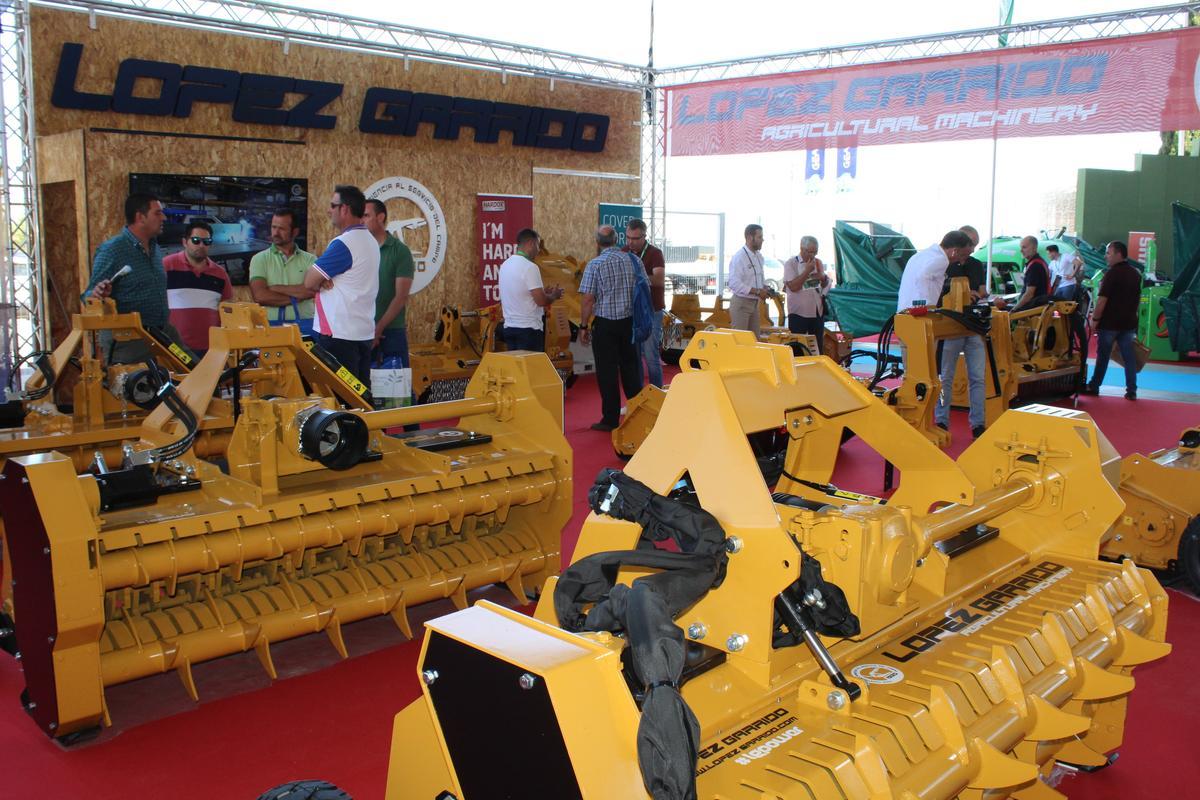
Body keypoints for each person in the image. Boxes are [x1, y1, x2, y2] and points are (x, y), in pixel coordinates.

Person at [83, 192, 181, 364]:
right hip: (128, 342)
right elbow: (88, 296)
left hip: (162, 333)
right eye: (157, 213)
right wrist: (97, 293)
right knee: (138, 389)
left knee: (195, 374)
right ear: (140, 217)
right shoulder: (113, 250)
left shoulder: (155, 248)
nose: (164, 217)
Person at [303, 185, 380, 385]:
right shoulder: (370, 241)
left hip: (338, 335)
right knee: (361, 398)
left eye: (332, 205)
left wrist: (322, 279)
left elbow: (309, 281)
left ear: (344, 209)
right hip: (361, 332)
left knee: (341, 400)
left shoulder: (344, 243)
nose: (329, 210)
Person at [579, 224, 643, 432]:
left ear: (597, 242)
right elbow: (644, 291)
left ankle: (610, 419)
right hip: (629, 324)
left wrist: (583, 326)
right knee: (631, 370)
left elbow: (588, 299)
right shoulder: (634, 261)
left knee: (607, 372)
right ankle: (638, 414)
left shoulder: (595, 265)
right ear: (617, 240)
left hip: (606, 325)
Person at [935, 225, 989, 438]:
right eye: (970, 244)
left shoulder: (977, 265)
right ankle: (940, 420)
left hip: (973, 326)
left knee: (978, 377)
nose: (972, 249)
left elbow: (983, 289)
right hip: (950, 325)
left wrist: (981, 294)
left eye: (975, 244)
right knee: (944, 377)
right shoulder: (944, 265)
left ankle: (978, 423)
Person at [1082, 241, 1142, 400]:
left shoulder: (1111, 274)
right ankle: (1132, 390)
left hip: (1110, 323)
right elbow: (1137, 300)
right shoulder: (1135, 274)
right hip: (1128, 323)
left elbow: (1102, 300)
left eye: (1108, 253)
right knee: (1129, 358)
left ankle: (1094, 386)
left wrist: (1095, 319)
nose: (1105, 256)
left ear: (1118, 254)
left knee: (1103, 357)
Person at [163, 221, 233, 356]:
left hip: (211, 349)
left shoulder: (220, 274)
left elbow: (228, 310)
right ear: (185, 242)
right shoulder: (166, 266)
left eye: (206, 242)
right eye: (196, 240)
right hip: (175, 349)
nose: (201, 245)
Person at [363, 199, 416, 369]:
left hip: (391, 332)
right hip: (361, 330)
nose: (361, 220)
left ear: (380, 217)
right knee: (362, 390)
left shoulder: (399, 251)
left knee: (398, 390)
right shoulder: (360, 249)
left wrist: (378, 329)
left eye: (366, 215)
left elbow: (400, 297)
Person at [249, 208, 317, 329]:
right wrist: (297, 297)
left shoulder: (310, 260)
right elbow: (260, 296)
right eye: (273, 227)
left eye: (281, 229)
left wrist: (275, 288)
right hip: (269, 328)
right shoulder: (258, 259)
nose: (275, 233)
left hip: (305, 325)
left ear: (295, 232)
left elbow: (311, 291)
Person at [497, 228, 564, 352]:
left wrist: (542, 291)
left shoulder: (505, 265)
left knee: (516, 370)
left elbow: (519, 292)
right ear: (531, 244)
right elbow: (541, 301)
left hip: (510, 328)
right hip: (528, 331)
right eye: (538, 245)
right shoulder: (530, 267)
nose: (539, 250)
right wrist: (554, 295)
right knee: (531, 371)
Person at [623, 219, 666, 387]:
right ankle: (638, 397)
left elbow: (659, 280)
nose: (630, 242)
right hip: (631, 312)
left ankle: (658, 395)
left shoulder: (655, 253)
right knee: (634, 358)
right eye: (628, 237)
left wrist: (637, 277)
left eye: (635, 238)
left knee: (650, 357)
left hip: (652, 311)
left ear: (644, 237)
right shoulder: (624, 251)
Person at [896, 230, 972, 311]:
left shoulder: (921, 255)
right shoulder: (942, 259)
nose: (961, 261)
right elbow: (922, 276)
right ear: (955, 251)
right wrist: (927, 305)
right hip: (917, 313)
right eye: (962, 255)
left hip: (904, 309)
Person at [781, 235, 831, 354]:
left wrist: (823, 278)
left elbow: (824, 285)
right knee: (798, 348)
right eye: (810, 252)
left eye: (815, 252)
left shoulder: (818, 263)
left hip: (816, 312)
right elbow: (793, 287)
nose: (812, 255)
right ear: (802, 248)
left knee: (817, 347)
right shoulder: (791, 263)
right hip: (798, 313)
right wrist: (807, 271)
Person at [727, 224, 771, 335]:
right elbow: (734, 283)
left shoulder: (759, 257)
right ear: (750, 237)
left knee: (755, 340)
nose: (763, 240)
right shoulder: (739, 257)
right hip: (741, 303)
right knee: (740, 341)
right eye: (760, 237)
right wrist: (757, 291)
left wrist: (765, 287)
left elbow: (759, 278)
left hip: (754, 304)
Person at [1012, 236, 1050, 311]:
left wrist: (1014, 309)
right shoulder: (1040, 262)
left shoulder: (1035, 266)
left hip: (1031, 310)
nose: (1021, 251)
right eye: (1021, 247)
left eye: (1024, 247)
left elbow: (1029, 294)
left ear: (1034, 248)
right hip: (1037, 307)